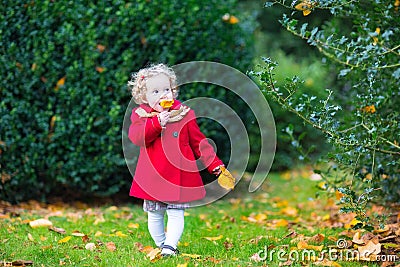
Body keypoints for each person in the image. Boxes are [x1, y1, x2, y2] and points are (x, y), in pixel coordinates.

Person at [127, 63, 231, 257]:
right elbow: (137, 138)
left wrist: (215, 165)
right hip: (153, 175)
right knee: (155, 214)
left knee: (176, 213)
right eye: (155, 91)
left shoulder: (184, 113)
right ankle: (162, 245)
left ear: (173, 91)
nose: (162, 95)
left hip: (179, 175)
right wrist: (157, 123)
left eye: (166, 89)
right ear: (144, 97)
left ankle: (170, 246)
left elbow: (199, 143)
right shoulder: (141, 116)